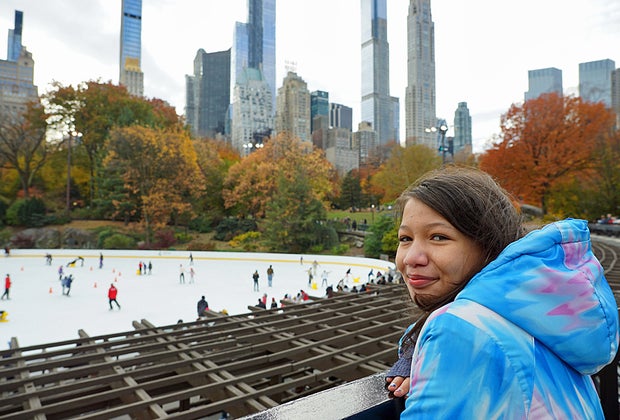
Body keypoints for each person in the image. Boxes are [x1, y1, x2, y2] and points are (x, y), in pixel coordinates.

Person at [386, 166, 618, 418]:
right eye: (405, 238)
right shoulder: (538, 317)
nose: (411, 258)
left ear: (488, 245)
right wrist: (417, 352)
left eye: (439, 237)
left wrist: (442, 348)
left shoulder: (458, 327)